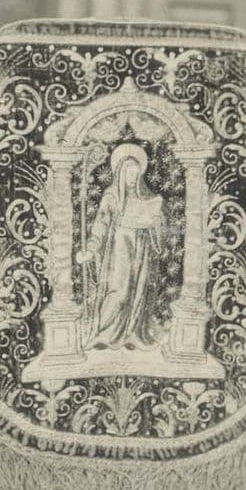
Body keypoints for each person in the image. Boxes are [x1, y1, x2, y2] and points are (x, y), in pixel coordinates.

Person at [82, 143, 164, 350]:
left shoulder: (146, 198)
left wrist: (156, 223)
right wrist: (91, 248)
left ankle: (131, 334)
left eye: (136, 174)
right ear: (120, 173)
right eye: (129, 174)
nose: (133, 178)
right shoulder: (112, 197)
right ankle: (103, 333)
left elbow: (158, 227)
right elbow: (101, 224)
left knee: (138, 290)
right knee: (120, 292)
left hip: (142, 248)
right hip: (120, 248)